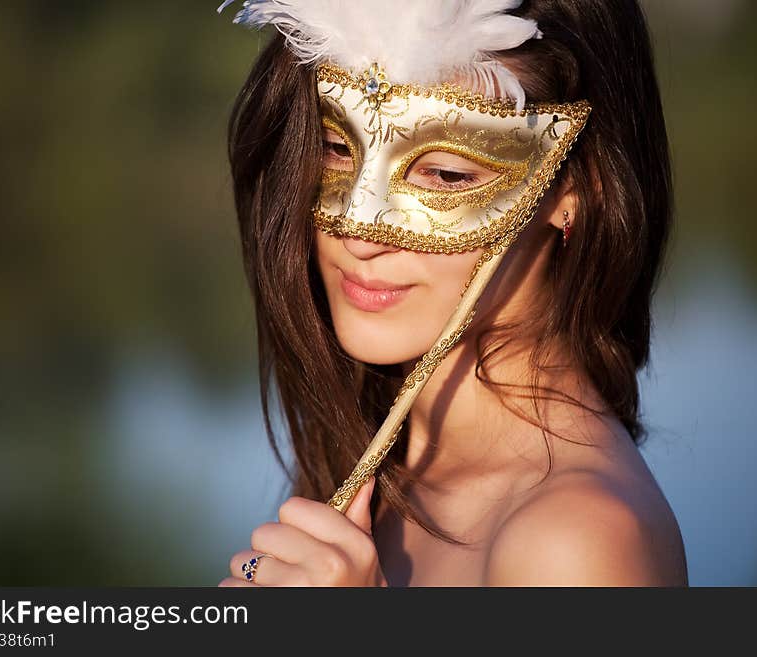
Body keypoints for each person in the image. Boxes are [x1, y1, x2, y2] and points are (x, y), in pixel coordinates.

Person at [218, 0, 689, 587]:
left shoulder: (576, 541)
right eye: (338, 148)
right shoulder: (381, 471)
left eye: (445, 175)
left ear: (576, 190)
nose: (358, 236)